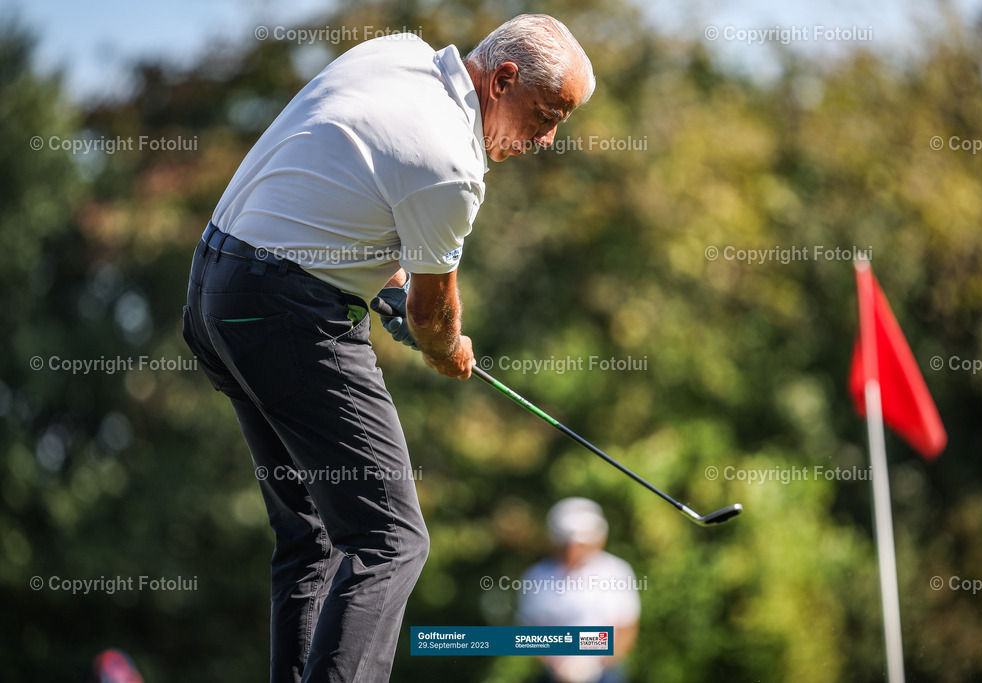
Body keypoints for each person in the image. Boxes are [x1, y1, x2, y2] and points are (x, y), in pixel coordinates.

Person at [181, 14, 595, 683]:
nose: (546, 138)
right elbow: (433, 317)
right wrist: (447, 346)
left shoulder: (398, 53)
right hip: (287, 315)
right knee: (391, 540)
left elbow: (347, 190)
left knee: (311, 532)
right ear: (504, 79)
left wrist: (389, 289)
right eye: (545, 114)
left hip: (215, 293)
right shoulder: (455, 166)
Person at [517, 498, 641, 683]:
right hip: (554, 675)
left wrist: (595, 665)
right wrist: (557, 665)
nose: (573, 550)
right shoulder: (537, 575)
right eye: (566, 542)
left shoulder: (616, 571)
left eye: (580, 543)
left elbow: (626, 628)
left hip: (606, 674)